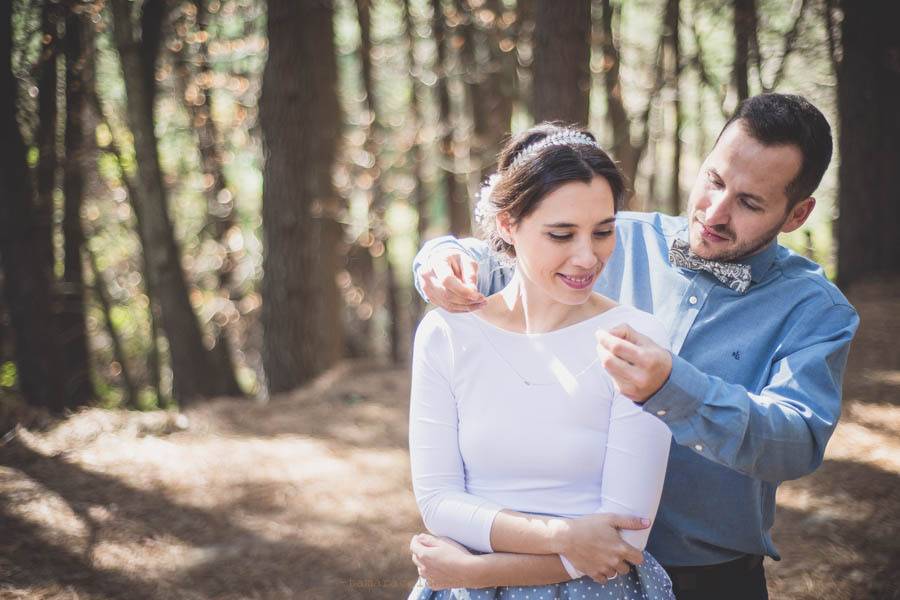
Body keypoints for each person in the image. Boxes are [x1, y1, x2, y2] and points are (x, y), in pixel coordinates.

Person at [410, 93, 859, 600]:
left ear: (797, 213)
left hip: (708, 576)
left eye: (749, 203)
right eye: (713, 180)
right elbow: (515, 251)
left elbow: (795, 442)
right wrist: (441, 255)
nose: (714, 211)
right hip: (546, 560)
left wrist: (674, 389)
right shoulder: (614, 236)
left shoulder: (815, 310)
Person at [408, 124, 676, 599]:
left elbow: (625, 538)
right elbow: (438, 502)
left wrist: (477, 573)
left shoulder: (638, 340)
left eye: (603, 232)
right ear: (509, 224)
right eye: (561, 234)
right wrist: (564, 536)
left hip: (594, 589)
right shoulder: (447, 335)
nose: (587, 257)